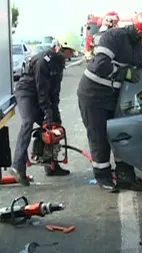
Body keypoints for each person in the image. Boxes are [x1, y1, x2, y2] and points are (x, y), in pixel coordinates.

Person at [77, 9, 142, 193]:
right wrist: (124, 73)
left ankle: (125, 176)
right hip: (93, 95)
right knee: (99, 137)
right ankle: (104, 178)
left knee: (120, 135)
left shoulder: (139, 47)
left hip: (113, 96)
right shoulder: (113, 37)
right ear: (140, 32)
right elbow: (101, 65)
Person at [10, 32, 81, 186]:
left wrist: (53, 114)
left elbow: (54, 91)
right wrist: (47, 111)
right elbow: (42, 90)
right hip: (27, 92)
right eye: (71, 51)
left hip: (41, 95)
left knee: (54, 125)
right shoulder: (44, 61)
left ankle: (51, 166)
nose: (72, 55)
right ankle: (17, 165)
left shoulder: (59, 63)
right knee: (28, 122)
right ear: (62, 48)